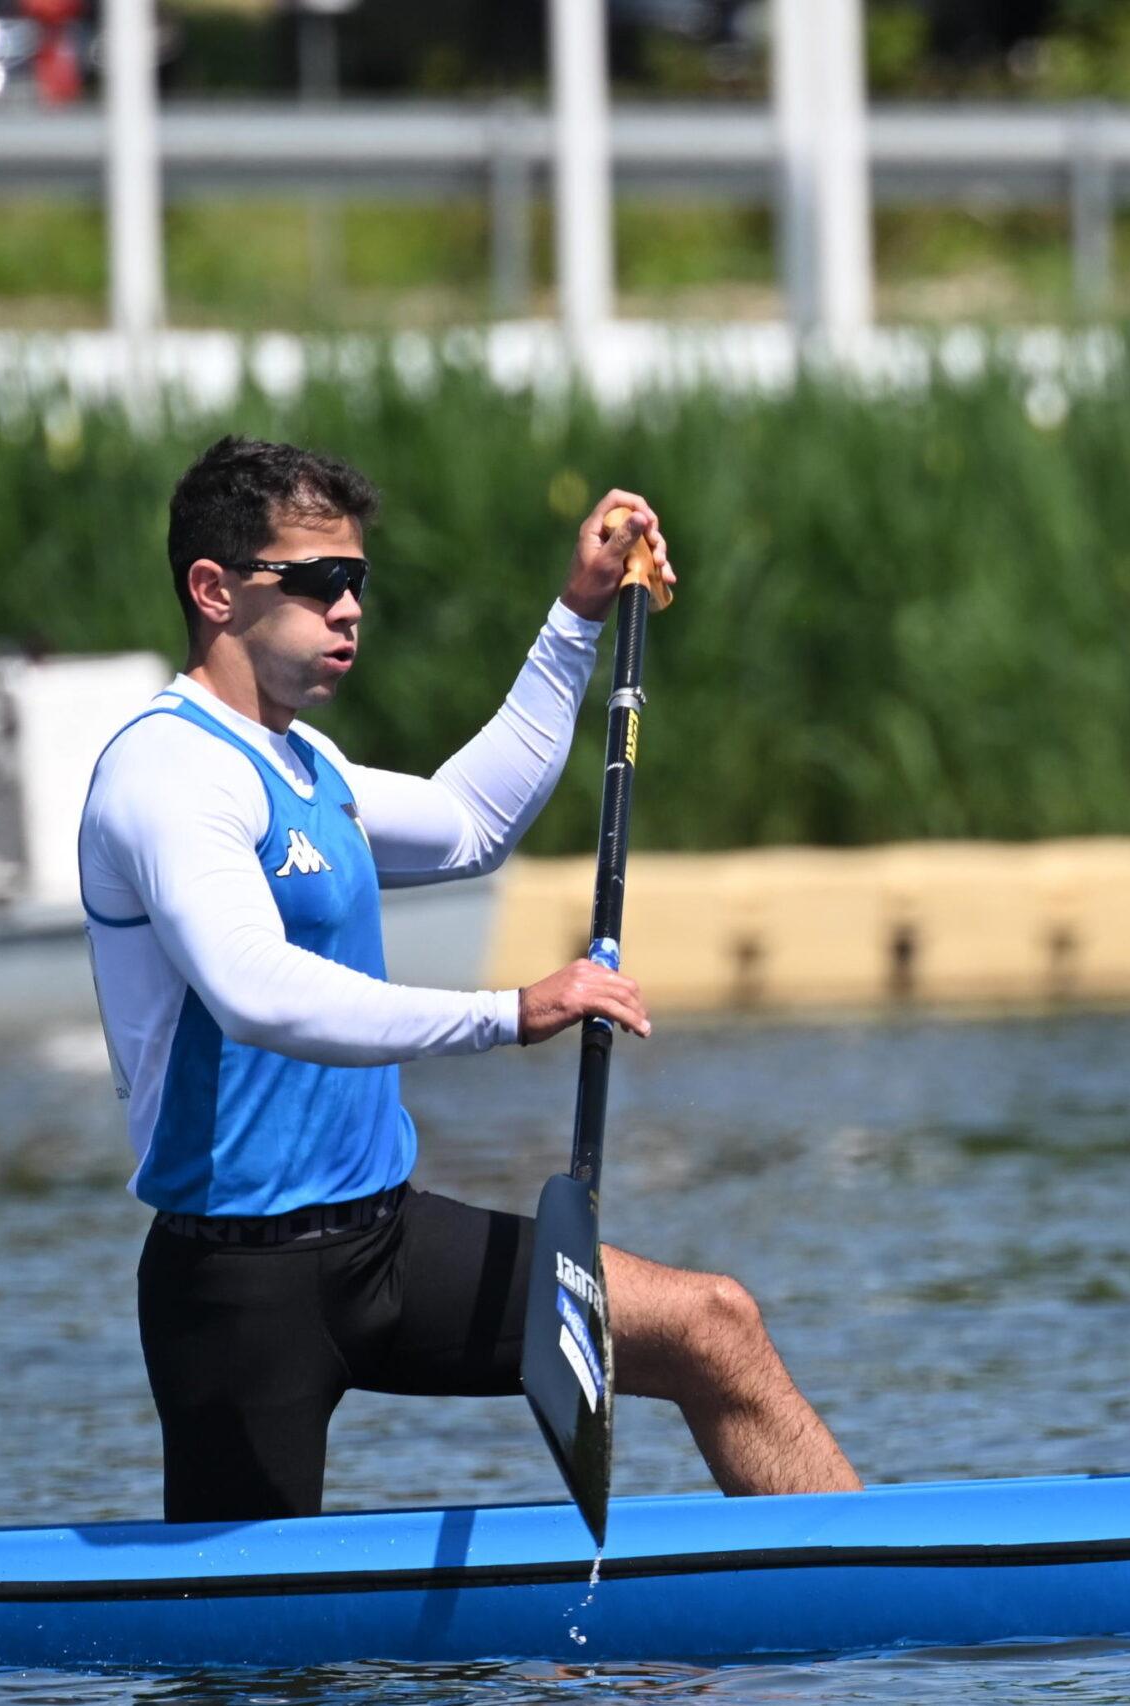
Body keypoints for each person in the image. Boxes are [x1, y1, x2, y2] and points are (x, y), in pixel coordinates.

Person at [79, 436, 860, 1522]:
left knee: (710, 1323)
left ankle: (864, 1588)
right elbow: (255, 989)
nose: (349, 607)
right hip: (238, 1285)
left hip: (385, 1242)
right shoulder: (165, 773)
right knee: (262, 1671)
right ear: (213, 590)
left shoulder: (312, 768)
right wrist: (509, 1013)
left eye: (356, 580)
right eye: (316, 581)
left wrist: (577, 614)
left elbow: (469, 824)